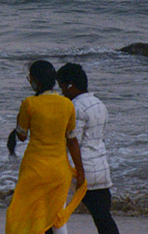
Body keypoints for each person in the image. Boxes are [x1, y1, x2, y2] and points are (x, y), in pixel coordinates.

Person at [5, 60, 87, 234]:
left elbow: (21, 135)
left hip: (34, 169)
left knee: (24, 213)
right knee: (57, 216)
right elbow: (72, 141)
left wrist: (19, 116)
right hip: (59, 170)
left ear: (36, 81)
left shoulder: (29, 103)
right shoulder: (67, 104)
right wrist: (80, 171)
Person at [58, 63, 119, 234]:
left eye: (62, 87)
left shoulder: (75, 107)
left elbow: (72, 141)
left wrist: (79, 171)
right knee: (104, 219)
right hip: (100, 167)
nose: (62, 92)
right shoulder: (99, 104)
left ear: (70, 85)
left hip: (81, 170)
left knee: (54, 215)